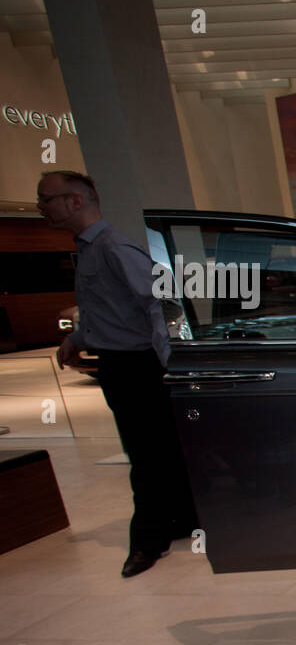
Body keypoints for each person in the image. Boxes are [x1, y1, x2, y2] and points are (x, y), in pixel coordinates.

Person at [38, 170, 198, 577]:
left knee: (146, 454)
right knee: (156, 448)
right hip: (119, 362)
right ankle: (183, 519)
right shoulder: (89, 249)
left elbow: (159, 302)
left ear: (76, 201)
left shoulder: (115, 247)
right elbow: (106, 306)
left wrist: (169, 360)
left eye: (47, 199)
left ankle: (148, 540)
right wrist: (78, 336)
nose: (42, 207)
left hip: (139, 365)